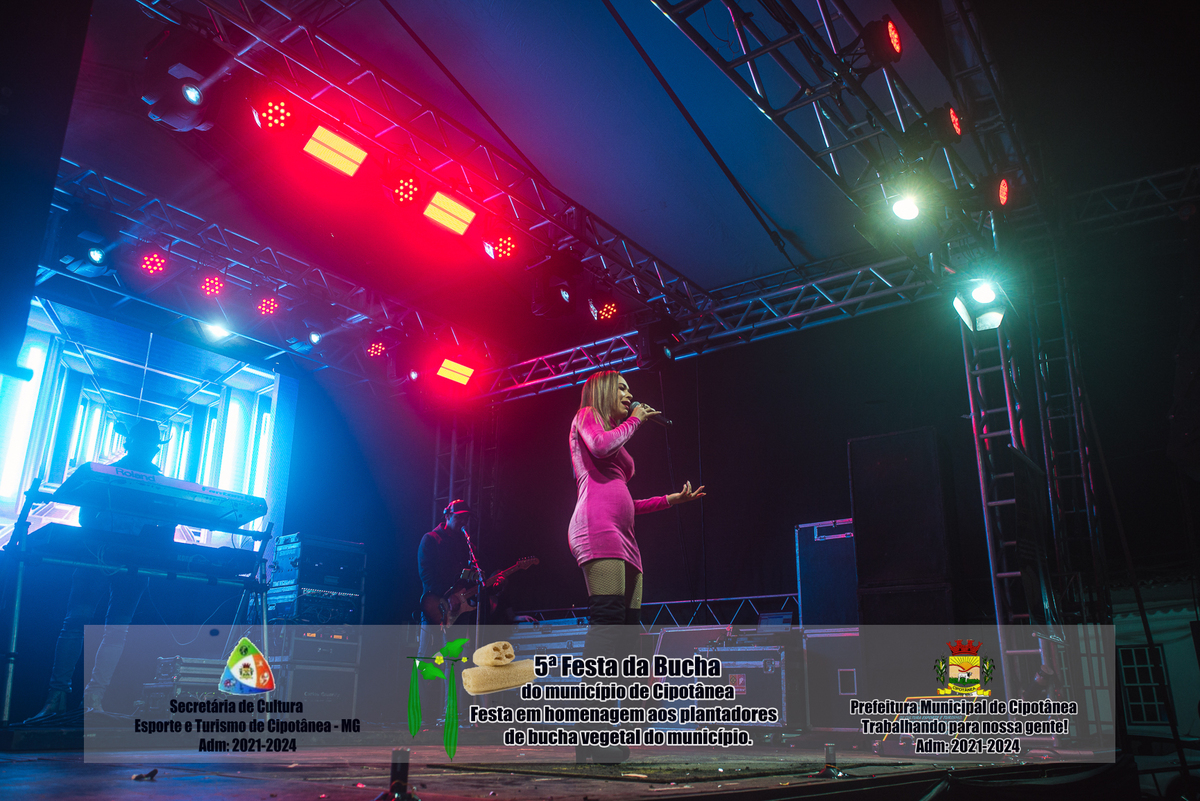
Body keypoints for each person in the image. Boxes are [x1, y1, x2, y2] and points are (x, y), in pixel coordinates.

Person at [568, 370, 705, 761]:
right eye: (623, 388)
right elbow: (601, 446)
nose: (630, 394)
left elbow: (625, 499)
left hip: (625, 538)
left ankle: (611, 731)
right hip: (596, 527)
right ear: (604, 391)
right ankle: (589, 735)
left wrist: (670, 500)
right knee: (608, 626)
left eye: (631, 390)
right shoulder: (587, 416)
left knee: (627, 637)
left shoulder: (617, 432)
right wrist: (636, 420)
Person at [24, 418, 167, 723]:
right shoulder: (109, 474)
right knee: (81, 624)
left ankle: (86, 701)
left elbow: (165, 525)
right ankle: (66, 699)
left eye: (152, 446)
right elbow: (82, 513)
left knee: (105, 628)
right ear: (129, 444)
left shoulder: (158, 482)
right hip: (101, 555)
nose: (150, 451)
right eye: (146, 444)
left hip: (126, 561)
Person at [417, 499, 478, 724]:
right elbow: (426, 574)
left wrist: (473, 580)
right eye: (459, 517)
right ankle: (423, 714)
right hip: (435, 607)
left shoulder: (464, 543)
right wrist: (447, 595)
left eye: (465, 518)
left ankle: (450, 713)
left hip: (456, 610)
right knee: (427, 660)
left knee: (454, 661)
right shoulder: (431, 539)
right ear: (447, 516)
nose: (463, 521)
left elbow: (464, 575)